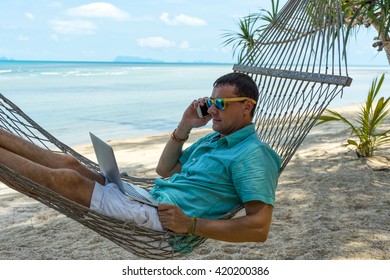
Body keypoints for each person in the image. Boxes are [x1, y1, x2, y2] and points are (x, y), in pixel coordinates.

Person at [0, 72, 281, 248]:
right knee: (70, 164)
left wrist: (192, 225)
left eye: (220, 104)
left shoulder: (253, 155)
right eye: (210, 102)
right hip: (149, 198)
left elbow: (259, 228)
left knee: (66, 179)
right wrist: (184, 126)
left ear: (247, 107)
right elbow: (165, 169)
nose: (212, 110)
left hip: (166, 225)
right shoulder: (214, 140)